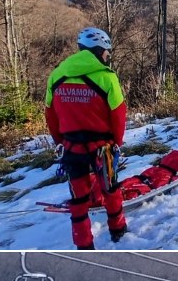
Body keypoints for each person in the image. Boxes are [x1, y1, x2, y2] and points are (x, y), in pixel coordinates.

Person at [44, 27, 128, 250]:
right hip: (102, 147)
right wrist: (117, 142)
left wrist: (59, 141)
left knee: (79, 200)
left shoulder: (56, 76)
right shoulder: (107, 77)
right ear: (99, 51)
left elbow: (50, 113)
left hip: (71, 148)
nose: (107, 58)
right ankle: (117, 229)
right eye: (107, 53)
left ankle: (83, 243)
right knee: (110, 189)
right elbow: (118, 114)